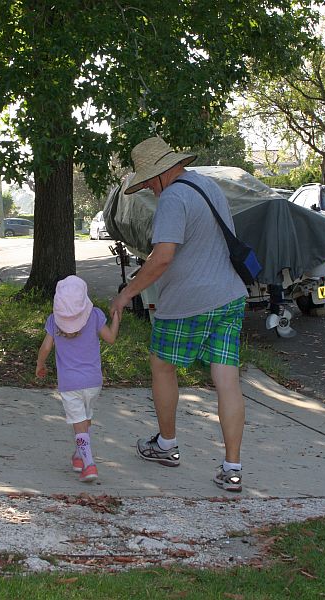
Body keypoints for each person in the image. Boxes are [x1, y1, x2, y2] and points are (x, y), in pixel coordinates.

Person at [110, 136, 249, 492]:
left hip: (190, 302)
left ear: (158, 175)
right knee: (227, 379)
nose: (152, 192)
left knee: (162, 365)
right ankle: (232, 469)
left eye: (149, 185)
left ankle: (167, 445)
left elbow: (162, 257)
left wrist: (127, 293)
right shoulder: (207, 185)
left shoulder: (173, 196)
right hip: (230, 296)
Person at [36, 275, 120, 482]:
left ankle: (89, 464)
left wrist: (40, 364)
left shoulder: (53, 321)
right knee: (84, 420)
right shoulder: (95, 315)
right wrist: (117, 319)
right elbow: (110, 339)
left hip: (69, 384)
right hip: (93, 382)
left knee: (78, 424)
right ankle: (78, 456)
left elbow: (46, 347)